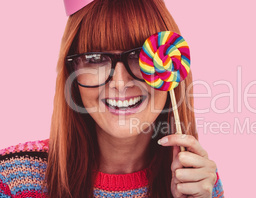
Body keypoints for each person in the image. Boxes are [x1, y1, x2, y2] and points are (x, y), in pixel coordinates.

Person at [0, 0, 224, 197]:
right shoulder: (12, 178)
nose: (119, 82)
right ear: (73, 75)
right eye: (95, 58)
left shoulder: (198, 182)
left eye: (138, 56)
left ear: (170, 65)